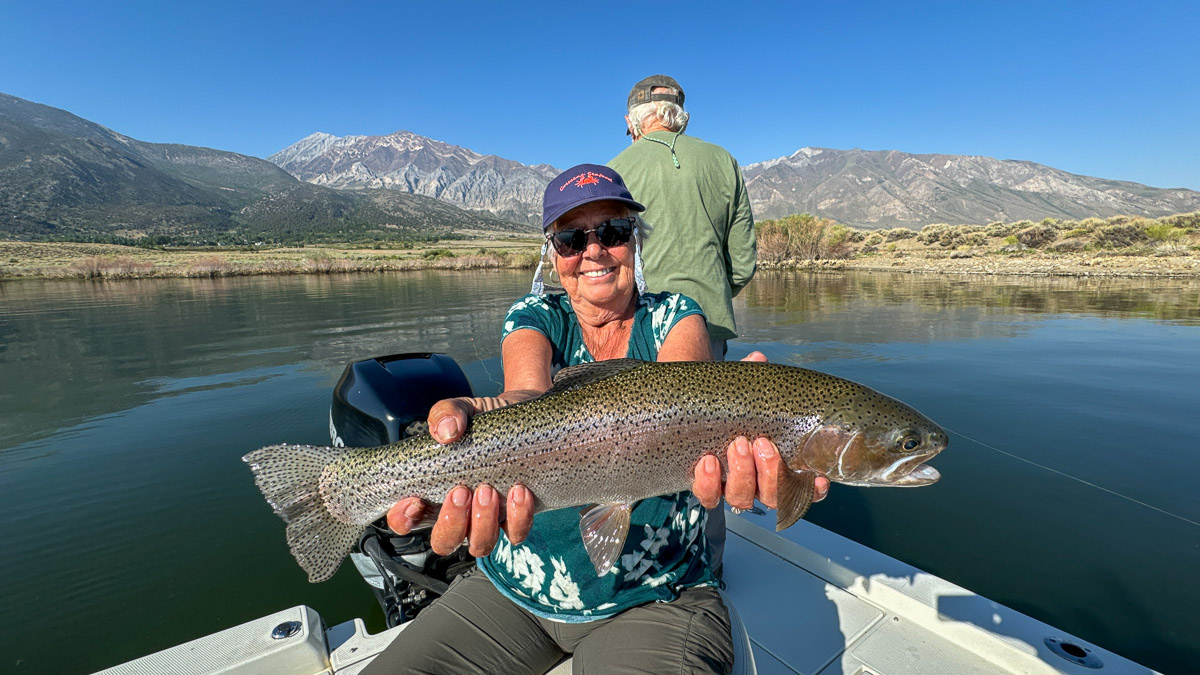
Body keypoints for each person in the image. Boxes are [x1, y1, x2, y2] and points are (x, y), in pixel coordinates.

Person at [362, 164, 827, 675]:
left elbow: (679, 389)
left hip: (656, 595)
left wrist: (749, 412)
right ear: (553, 254)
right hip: (515, 586)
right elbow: (524, 393)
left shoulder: (676, 315)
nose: (593, 250)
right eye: (570, 238)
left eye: (612, 231)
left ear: (634, 240)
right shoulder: (534, 316)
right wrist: (485, 419)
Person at [608, 74, 757, 361]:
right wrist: (711, 292)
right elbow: (742, 265)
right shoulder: (724, 161)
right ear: (682, 118)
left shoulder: (611, 173)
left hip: (634, 326)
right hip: (709, 322)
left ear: (631, 123)